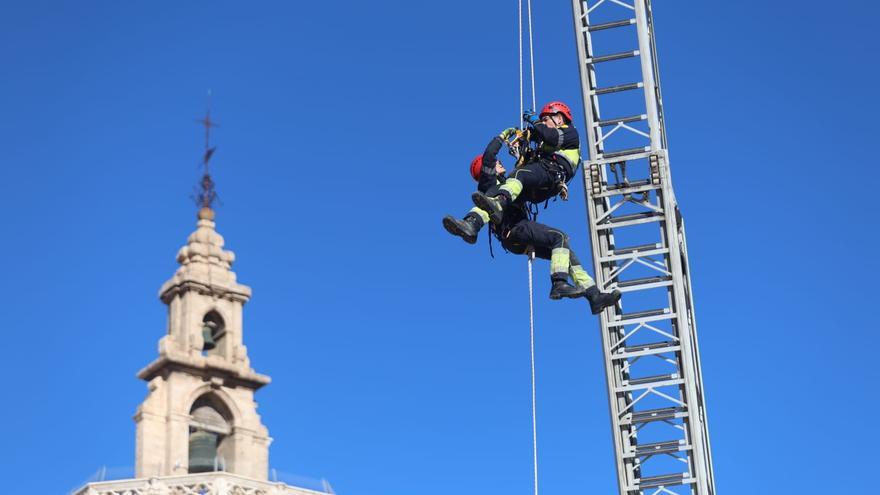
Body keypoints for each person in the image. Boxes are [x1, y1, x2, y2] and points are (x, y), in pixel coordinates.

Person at [442, 132, 621, 313]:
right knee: (558, 237)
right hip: (515, 229)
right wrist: (502, 137)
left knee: (564, 249)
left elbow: (526, 178)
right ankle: (559, 283)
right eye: (497, 163)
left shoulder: (508, 183)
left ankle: (593, 295)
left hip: (515, 235)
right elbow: (489, 156)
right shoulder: (488, 182)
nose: (500, 163)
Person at [472, 101, 580, 225]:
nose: (543, 123)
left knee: (519, 174)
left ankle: (500, 201)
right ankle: (473, 222)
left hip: (552, 174)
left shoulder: (570, 133)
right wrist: (525, 140)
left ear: (559, 119)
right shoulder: (548, 144)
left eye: (545, 120)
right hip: (541, 184)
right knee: (496, 191)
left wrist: (535, 122)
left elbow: (550, 136)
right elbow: (542, 140)